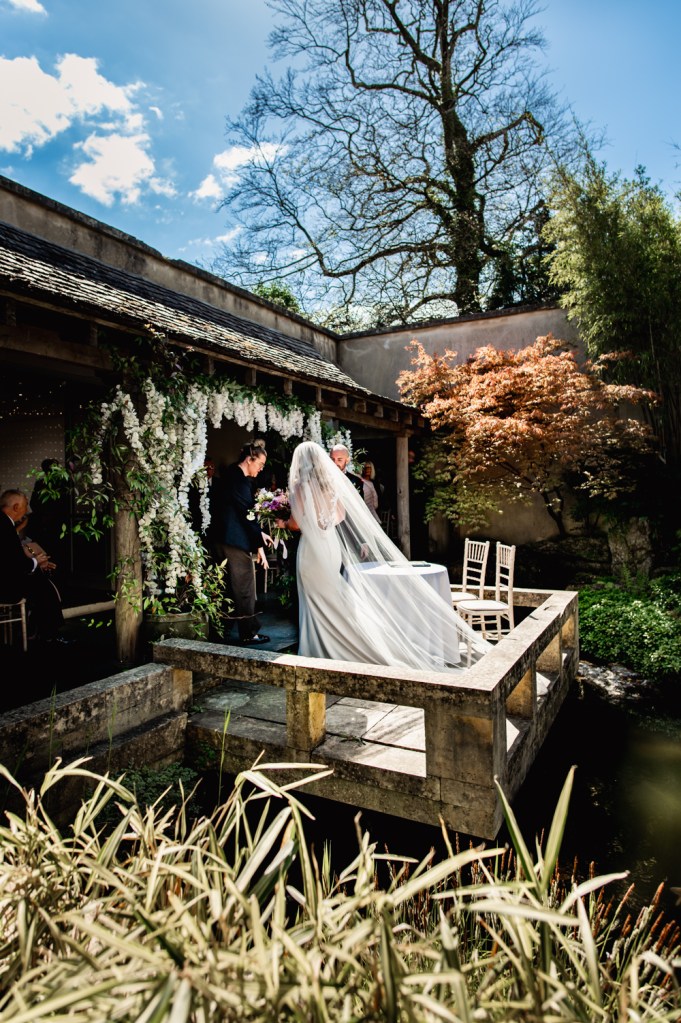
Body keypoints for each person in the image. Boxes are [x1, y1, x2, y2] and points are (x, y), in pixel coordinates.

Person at [280, 442, 489, 670]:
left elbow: (295, 524)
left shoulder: (300, 485)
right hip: (330, 546)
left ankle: (318, 647)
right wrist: (323, 523)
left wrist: (283, 522)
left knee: (317, 598)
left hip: (311, 549)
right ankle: (346, 643)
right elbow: (339, 516)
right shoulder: (328, 484)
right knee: (333, 596)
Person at [212, 443, 273, 646]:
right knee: (245, 587)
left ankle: (223, 629)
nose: (261, 468)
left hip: (222, 538)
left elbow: (238, 512)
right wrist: (259, 547)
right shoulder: (240, 482)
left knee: (227, 587)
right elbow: (247, 516)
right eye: (260, 464)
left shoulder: (230, 474)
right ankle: (249, 633)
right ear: (250, 459)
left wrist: (260, 534)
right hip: (234, 541)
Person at [0, 489, 66, 643]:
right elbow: (15, 564)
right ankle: (50, 634)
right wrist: (38, 562)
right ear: (16, 507)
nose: (27, 509)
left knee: (38, 582)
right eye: (25, 505)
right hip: (4, 587)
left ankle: (39, 630)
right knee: (43, 584)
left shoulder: (5, 523)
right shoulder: (5, 526)